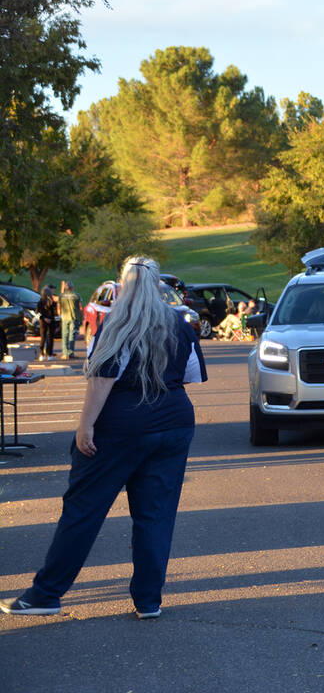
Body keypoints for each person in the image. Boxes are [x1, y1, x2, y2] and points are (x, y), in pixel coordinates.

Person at [1, 255, 207, 619]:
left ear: (123, 285)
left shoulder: (117, 322)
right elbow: (192, 375)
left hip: (121, 426)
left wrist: (86, 426)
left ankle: (46, 594)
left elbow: (102, 378)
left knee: (84, 510)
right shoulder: (178, 322)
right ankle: (148, 601)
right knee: (156, 515)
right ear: (159, 285)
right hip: (173, 423)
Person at [59, 281, 82, 359]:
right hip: (73, 317)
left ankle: (65, 354)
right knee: (72, 335)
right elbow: (80, 307)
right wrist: (81, 317)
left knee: (65, 335)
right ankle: (71, 352)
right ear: (72, 287)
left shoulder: (61, 296)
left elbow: (59, 306)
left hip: (64, 317)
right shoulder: (76, 296)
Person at [36, 285, 57, 361]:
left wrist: (44, 318)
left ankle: (42, 354)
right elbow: (55, 313)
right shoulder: (52, 302)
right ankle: (49, 354)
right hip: (51, 321)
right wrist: (50, 319)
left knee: (43, 337)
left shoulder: (40, 302)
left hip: (43, 322)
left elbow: (38, 313)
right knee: (50, 338)